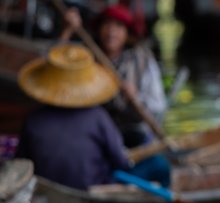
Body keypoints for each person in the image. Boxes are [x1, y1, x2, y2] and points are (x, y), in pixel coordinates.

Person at [60, 3, 170, 187]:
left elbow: (157, 107)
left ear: (127, 33)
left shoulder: (141, 59)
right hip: (92, 139)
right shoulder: (86, 57)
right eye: (107, 25)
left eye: (118, 27)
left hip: (132, 139)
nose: (111, 32)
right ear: (99, 29)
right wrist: (66, 32)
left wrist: (136, 98)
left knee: (160, 167)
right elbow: (56, 76)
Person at [15, 44, 130, 190]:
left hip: (46, 191)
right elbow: (121, 162)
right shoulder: (98, 116)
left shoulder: (33, 119)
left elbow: (21, 163)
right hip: (91, 191)